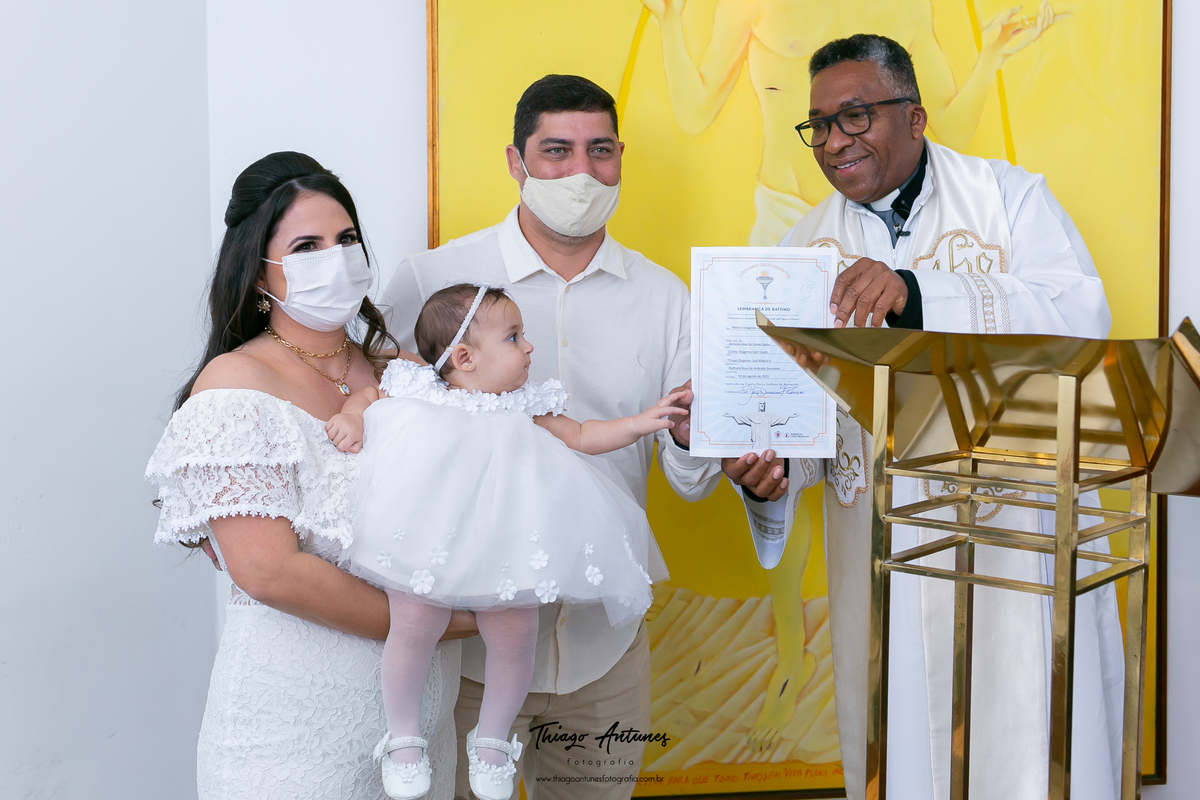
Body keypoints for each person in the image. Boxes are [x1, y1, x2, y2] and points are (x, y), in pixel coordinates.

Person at [725, 35, 1122, 800]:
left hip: (1018, 544)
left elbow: (1082, 317)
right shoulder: (801, 249)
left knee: (1030, 745)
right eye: (819, 125)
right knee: (900, 751)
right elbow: (804, 421)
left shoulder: (1008, 198)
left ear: (915, 116)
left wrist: (916, 290)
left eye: (856, 115)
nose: (835, 141)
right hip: (882, 557)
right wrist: (769, 476)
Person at [381, 75, 724, 799]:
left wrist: (696, 436)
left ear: (620, 157)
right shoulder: (432, 279)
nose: (580, 172)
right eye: (556, 150)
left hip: (605, 651)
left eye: (599, 150)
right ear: (516, 161)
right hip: (464, 648)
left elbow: (690, 480)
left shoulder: (667, 298)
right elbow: (378, 422)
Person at [145, 152, 469, 800]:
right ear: (257, 270)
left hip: (423, 727)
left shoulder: (400, 371)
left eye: (346, 239)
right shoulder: (237, 383)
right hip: (294, 735)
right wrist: (457, 621)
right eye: (307, 245)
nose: (337, 257)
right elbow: (269, 571)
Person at [331, 284, 687, 800]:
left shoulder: (525, 404)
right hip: (430, 542)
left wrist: (642, 423)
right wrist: (351, 417)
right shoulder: (420, 389)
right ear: (464, 357)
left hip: (507, 551)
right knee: (413, 621)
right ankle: (403, 736)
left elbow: (584, 436)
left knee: (517, 632)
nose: (529, 348)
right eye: (515, 337)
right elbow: (369, 396)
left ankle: (493, 741)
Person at [639, 0, 1059, 245]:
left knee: (895, 375)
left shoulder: (908, 6)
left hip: (895, 220)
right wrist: (669, 20)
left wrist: (991, 59)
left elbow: (947, 124)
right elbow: (695, 114)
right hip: (786, 215)